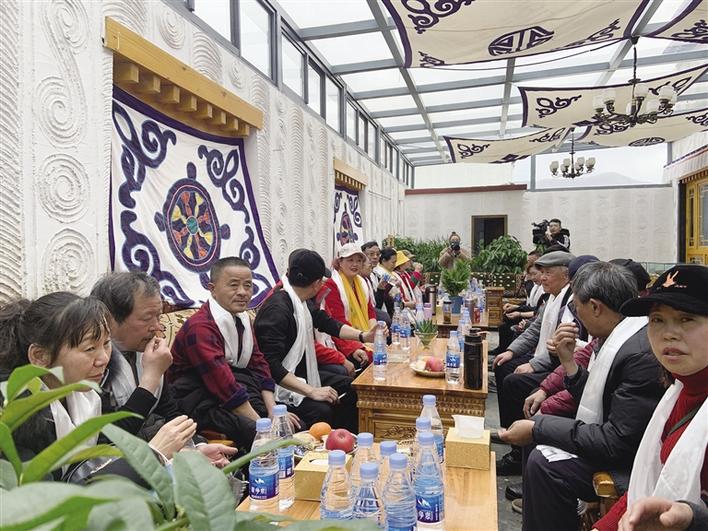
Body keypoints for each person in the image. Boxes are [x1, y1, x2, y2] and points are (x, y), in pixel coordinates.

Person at [499, 261, 665, 531]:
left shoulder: (638, 355)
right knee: (538, 430)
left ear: (596, 307)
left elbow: (617, 441)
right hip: (615, 438)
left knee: (544, 461)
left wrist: (538, 427)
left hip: (632, 460)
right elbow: (597, 396)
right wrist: (568, 362)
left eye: (577, 306)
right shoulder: (614, 335)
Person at [592, 264, 708, 531]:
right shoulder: (677, 391)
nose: (669, 333)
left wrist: (693, 518)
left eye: (686, 319)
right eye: (657, 320)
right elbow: (645, 490)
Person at [92, 272, 234, 464]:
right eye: (146, 318)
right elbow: (109, 440)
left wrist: (196, 446)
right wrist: (150, 380)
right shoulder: (94, 366)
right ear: (110, 319)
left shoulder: (146, 351)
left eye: (158, 316)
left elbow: (170, 412)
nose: (157, 327)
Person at [168, 257, 300, 451]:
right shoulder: (200, 328)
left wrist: (273, 410)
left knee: (294, 421)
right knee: (259, 436)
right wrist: (263, 428)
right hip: (197, 401)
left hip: (232, 390)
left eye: (248, 285)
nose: (242, 292)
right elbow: (222, 382)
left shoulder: (241, 319)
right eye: (233, 285)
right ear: (212, 289)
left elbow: (258, 364)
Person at [253, 249, 379, 431]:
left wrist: (363, 336)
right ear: (317, 284)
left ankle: (345, 439)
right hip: (278, 384)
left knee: (352, 388)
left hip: (300, 372)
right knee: (322, 410)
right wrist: (312, 391)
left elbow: (326, 323)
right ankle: (324, 441)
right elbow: (270, 366)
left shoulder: (300, 301)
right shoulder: (277, 310)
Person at [492, 251, 582, 475]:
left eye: (548, 273)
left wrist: (534, 365)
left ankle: (518, 452)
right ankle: (510, 429)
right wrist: (511, 351)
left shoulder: (571, 301)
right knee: (503, 365)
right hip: (544, 357)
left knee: (514, 382)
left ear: (566, 276)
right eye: (541, 272)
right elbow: (535, 330)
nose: (542, 278)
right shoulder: (552, 297)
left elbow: (564, 348)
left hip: (556, 365)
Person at [321, 243, 375, 370]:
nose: (355, 264)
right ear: (340, 262)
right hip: (342, 338)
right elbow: (337, 322)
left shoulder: (361, 283)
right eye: (350, 260)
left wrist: (374, 334)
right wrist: (359, 344)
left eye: (359, 261)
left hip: (362, 335)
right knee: (372, 356)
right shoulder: (332, 285)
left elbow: (370, 311)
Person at [361, 240, 392, 322]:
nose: (375, 257)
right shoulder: (359, 278)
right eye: (371, 254)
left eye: (378, 254)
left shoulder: (375, 274)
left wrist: (381, 289)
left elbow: (377, 304)